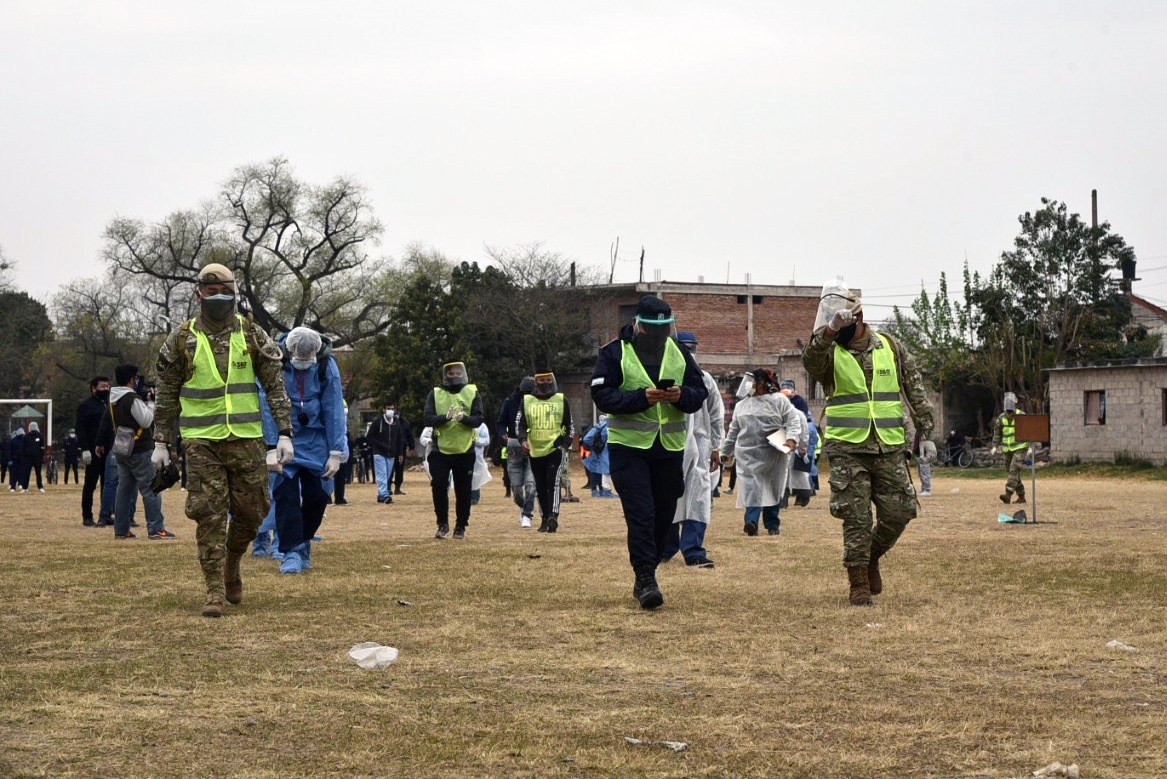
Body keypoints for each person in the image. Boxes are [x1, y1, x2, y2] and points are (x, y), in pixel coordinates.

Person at [152, 263, 293, 618]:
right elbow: (166, 393)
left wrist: (285, 432)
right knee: (210, 515)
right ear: (198, 293)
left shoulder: (252, 334)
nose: (218, 297)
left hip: (247, 440)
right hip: (201, 443)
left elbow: (275, 385)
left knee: (254, 511)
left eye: (224, 290)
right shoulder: (182, 339)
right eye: (211, 291)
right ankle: (214, 589)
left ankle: (233, 560)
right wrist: (160, 441)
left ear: (236, 292)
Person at [801, 279, 934, 606]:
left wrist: (926, 432)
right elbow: (810, 362)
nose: (839, 325)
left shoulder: (890, 346)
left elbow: (913, 387)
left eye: (843, 319)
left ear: (858, 317)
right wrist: (829, 331)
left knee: (900, 512)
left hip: (889, 445)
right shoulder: (829, 350)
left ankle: (872, 556)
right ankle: (858, 582)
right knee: (856, 516)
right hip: (847, 448)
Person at [590, 294, 708, 610]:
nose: (658, 335)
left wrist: (681, 395)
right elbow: (602, 395)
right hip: (629, 449)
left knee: (664, 515)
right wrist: (642, 398)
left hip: (668, 450)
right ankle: (645, 579)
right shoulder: (614, 353)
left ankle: (649, 568)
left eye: (664, 328)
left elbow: (700, 394)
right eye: (652, 328)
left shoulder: (680, 353)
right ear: (636, 324)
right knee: (641, 513)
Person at [258, 326, 347, 574]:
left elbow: (334, 409)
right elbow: (266, 405)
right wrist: (272, 445)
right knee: (285, 496)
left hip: (316, 441)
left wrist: (336, 452)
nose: (303, 363)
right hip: (284, 438)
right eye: (299, 358)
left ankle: (303, 541)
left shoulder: (326, 366)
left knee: (317, 497)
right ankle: (291, 552)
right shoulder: (274, 362)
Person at [662, 332, 724, 568]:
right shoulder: (664, 378)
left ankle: (693, 550)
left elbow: (716, 415)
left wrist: (716, 447)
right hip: (670, 444)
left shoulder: (705, 379)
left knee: (698, 497)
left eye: (691, 348)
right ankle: (666, 547)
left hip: (699, 445)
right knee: (669, 497)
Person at [721, 368, 804, 537]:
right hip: (747, 455)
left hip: (773, 453)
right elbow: (733, 431)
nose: (748, 386)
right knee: (752, 488)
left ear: (763, 384)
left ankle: (772, 524)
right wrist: (725, 451)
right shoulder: (741, 405)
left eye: (752, 382)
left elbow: (793, 420)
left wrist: (792, 438)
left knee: (772, 487)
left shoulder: (779, 400)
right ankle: (751, 522)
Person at [105, 364, 174, 540]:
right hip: (139, 449)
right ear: (131, 379)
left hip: (122, 448)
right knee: (151, 488)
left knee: (124, 491)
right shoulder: (131, 398)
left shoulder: (113, 398)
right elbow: (146, 420)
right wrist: (151, 402)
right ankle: (156, 528)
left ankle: (121, 530)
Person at [422, 360, 485, 539]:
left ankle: (461, 526)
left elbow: (479, 419)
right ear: (445, 375)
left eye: (459, 373)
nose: (455, 376)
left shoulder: (472, 392)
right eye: (452, 373)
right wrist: (444, 418)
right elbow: (427, 419)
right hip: (440, 449)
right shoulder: (435, 393)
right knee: (439, 485)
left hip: (465, 450)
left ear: (464, 374)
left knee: (464, 490)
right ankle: (442, 524)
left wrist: (464, 418)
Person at [516, 371, 575, 533]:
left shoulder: (561, 400)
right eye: (542, 380)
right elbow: (519, 424)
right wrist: (523, 440)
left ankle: (553, 516)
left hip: (555, 449)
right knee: (540, 486)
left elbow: (569, 426)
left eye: (549, 379)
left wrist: (564, 444)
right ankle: (544, 518)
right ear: (536, 382)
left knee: (553, 483)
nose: (545, 383)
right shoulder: (527, 401)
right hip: (535, 450)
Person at [497, 377, 537, 527]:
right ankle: (523, 507)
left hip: (533, 447)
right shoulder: (509, 403)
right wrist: (502, 435)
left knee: (530, 484)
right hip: (514, 447)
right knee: (516, 489)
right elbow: (500, 422)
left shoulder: (538, 403)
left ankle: (527, 515)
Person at [76, 376, 111, 525]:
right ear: (93, 388)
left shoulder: (109, 405)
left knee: (108, 483)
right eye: (102, 386)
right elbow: (80, 429)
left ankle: (106, 514)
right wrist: (84, 448)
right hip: (92, 450)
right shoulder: (86, 406)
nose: (106, 389)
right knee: (90, 484)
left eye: (107, 386)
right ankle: (87, 516)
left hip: (108, 450)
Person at [990, 392, 1028, 504]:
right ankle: (1021, 496)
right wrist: (994, 446)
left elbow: (1029, 432)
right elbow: (997, 434)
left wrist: (1030, 446)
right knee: (1012, 472)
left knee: (1014, 469)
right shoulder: (1001, 418)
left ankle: (1008, 494)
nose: (1009, 412)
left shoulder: (1021, 415)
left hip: (1020, 447)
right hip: (1007, 449)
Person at [365, 402, 406, 504]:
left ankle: (380, 495)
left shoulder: (396, 423)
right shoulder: (377, 422)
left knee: (387, 475)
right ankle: (385, 495)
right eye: (388, 408)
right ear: (384, 409)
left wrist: (400, 453)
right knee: (382, 474)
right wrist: (379, 446)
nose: (390, 411)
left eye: (392, 408)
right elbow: (370, 437)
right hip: (379, 453)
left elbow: (400, 438)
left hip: (391, 454)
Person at [581, 415, 617, 498]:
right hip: (604, 451)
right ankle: (605, 491)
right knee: (604, 471)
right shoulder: (608, 427)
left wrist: (594, 446)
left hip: (596, 452)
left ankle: (598, 491)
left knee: (596, 470)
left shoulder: (597, 427)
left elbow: (586, 439)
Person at [392, 406, 414, 496]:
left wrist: (411, 446)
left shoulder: (405, 423)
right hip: (390, 448)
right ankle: (387, 488)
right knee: (389, 469)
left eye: (398, 413)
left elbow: (409, 435)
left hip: (401, 449)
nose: (396, 415)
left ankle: (397, 488)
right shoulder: (388, 422)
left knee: (399, 469)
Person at [21, 421, 46, 492]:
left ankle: (40, 487)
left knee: (38, 473)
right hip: (28, 458)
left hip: (37, 458)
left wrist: (42, 456)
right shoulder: (26, 437)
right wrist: (24, 456)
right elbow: (23, 447)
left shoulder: (40, 436)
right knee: (27, 473)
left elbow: (42, 447)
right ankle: (24, 487)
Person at [912, 429, 933, 497]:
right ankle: (923, 488)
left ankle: (927, 489)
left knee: (925, 472)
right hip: (919, 454)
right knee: (921, 473)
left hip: (923, 454)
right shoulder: (918, 431)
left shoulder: (924, 431)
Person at [8, 427, 25, 492]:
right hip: (14, 459)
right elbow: (10, 451)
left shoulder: (24, 440)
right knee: (14, 473)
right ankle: (13, 487)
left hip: (22, 459)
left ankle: (21, 484)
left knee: (22, 472)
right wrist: (10, 459)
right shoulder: (13, 441)